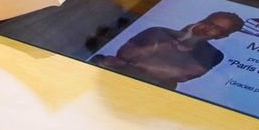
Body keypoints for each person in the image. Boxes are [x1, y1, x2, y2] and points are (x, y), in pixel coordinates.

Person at [93, 12, 242, 89]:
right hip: (114, 76)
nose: (208, 28)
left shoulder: (214, 55)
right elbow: (126, 55)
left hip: (153, 89)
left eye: (217, 29)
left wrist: (136, 64)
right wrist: (180, 39)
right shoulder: (158, 31)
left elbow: (179, 75)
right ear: (201, 20)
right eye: (208, 23)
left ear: (222, 36)